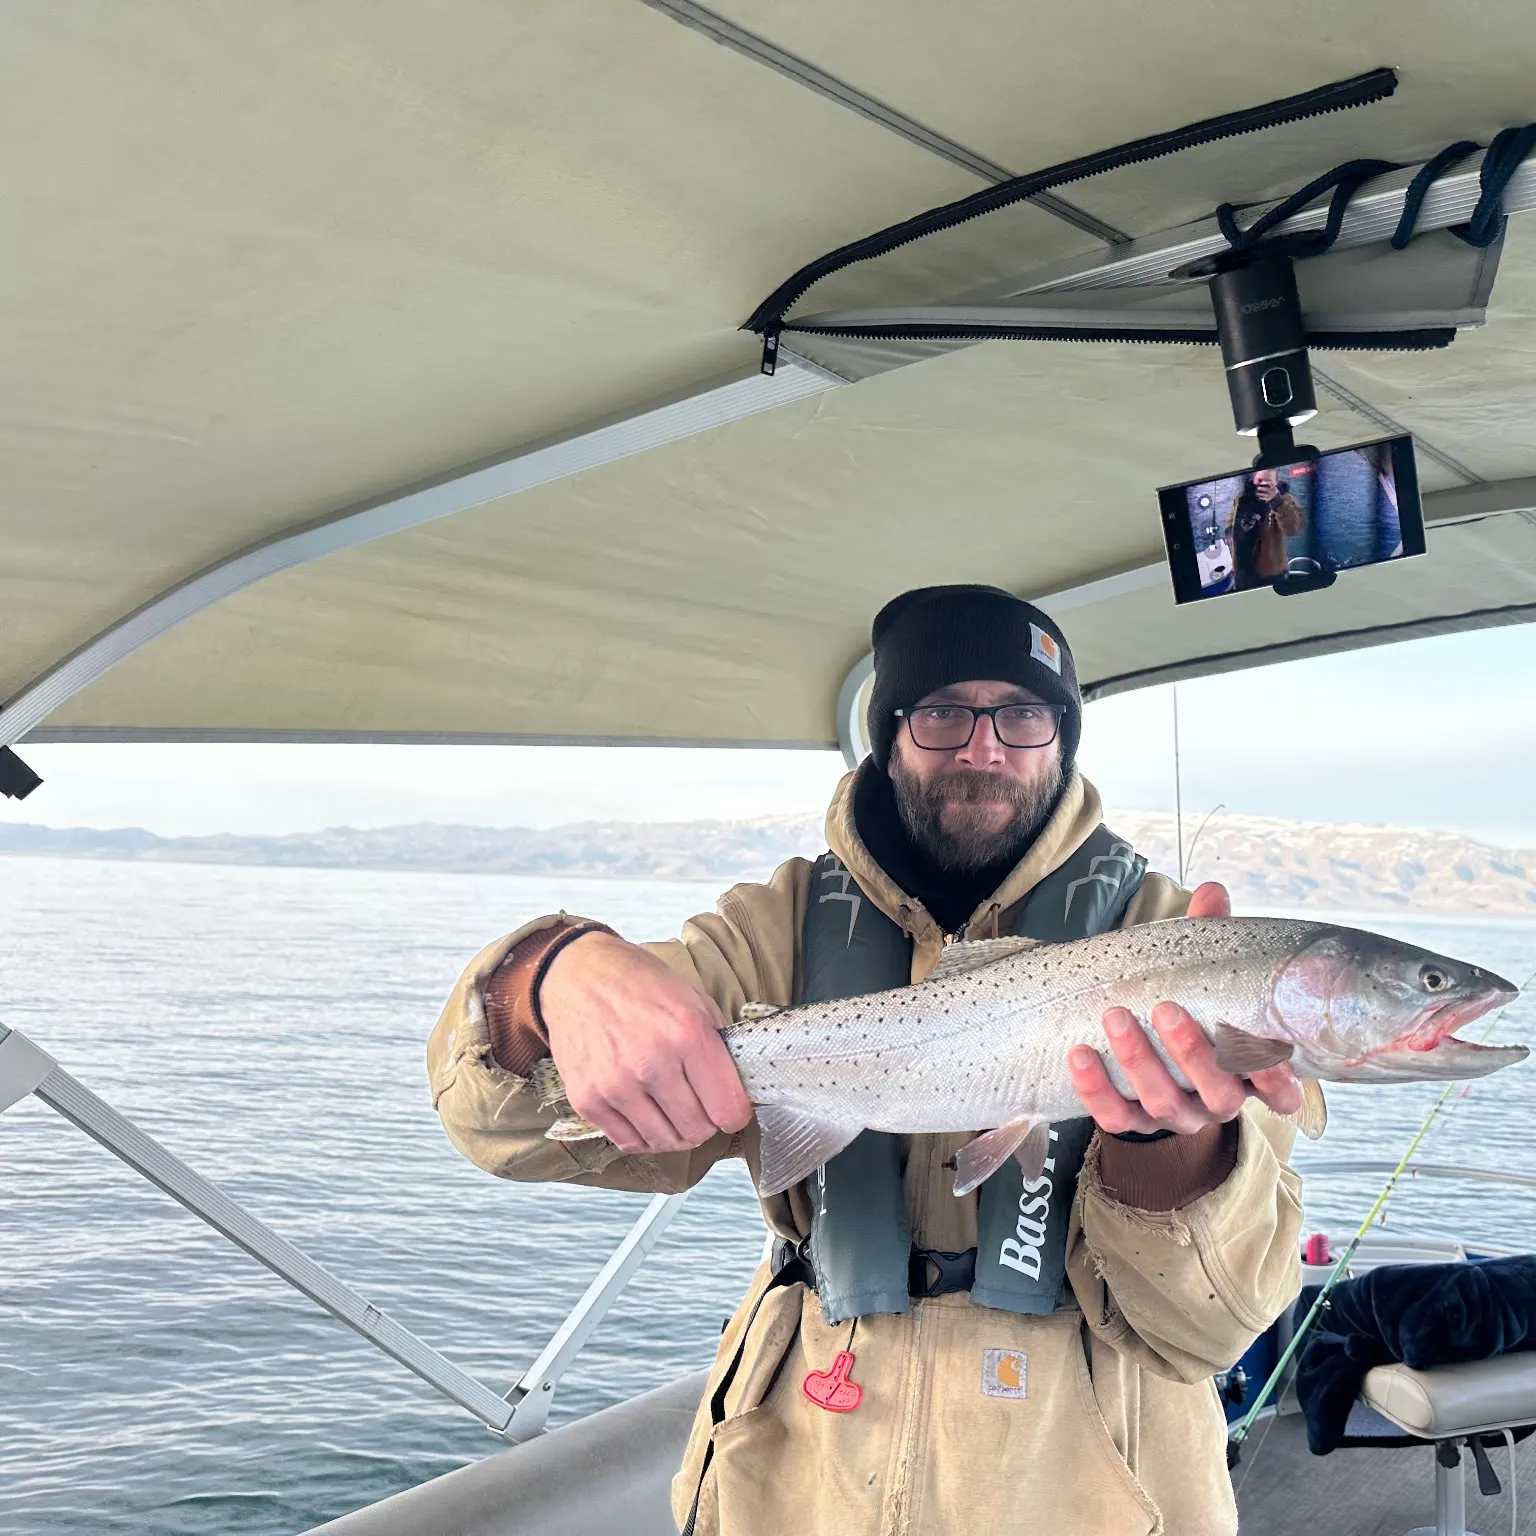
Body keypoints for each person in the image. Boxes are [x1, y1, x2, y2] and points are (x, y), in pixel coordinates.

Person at [427, 585, 1306, 1536]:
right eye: (941, 715)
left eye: (1023, 714)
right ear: (890, 736)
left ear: (1062, 737)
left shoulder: (1184, 947)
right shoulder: (774, 929)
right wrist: (550, 972)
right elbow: (502, 1130)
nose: (985, 748)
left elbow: (1208, 1332)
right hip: (804, 1474)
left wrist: (1170, 1148)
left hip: (1090, 1489)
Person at [1230, 466, 1305, 588]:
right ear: (1254, 478)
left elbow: (1294, 529)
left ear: (1276, 481)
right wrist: (1229, 533)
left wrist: (1276, 501)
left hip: (1270, 576)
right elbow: (1232, 519)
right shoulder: (1242, 497)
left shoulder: (1285, 499)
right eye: (1260, 481)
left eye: (1268, 482)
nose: (1263, 485)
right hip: (1241, 572)